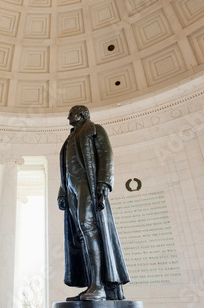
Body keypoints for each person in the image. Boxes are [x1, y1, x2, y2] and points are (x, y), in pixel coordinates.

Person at [58, 105, 129, 301]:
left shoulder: (95, 130)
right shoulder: (69, 139)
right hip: (72, 188)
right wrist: (62, 192)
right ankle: (91, 284)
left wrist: (104, 182)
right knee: (80, 233)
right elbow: (65, 168)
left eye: (71, 114)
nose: (68, 117)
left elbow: (106, 156)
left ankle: (99, 286)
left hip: (87, 183)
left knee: (89, 228)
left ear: (81, 114)